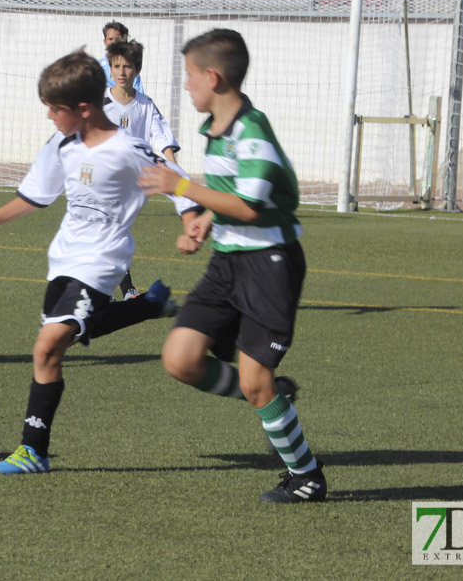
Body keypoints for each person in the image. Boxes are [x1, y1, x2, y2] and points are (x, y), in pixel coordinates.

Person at [0, 49, 200, 475]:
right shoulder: (62, 143)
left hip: (103, 260)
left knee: (48, 344)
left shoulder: (128, 148)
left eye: (56, 109)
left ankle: (33, 449)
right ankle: (148, 305)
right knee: (64, 340)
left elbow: (176, 180)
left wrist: (189, 220)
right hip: (64, 259)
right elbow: (37, 193)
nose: (50, 116)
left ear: (84, 109)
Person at [138, 28, 325, 503]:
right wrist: (203, 218)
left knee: (253, 379)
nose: (185, 85)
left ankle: (306, 476)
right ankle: (269, 396)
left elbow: (251, 207)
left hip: (270, 266)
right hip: (229, 262)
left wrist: (180, 188)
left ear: (213, 77)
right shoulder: (215, 131)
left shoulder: (251, 130)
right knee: (181, 359)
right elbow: (231, 201)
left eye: (189, 75)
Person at [102, 39, 185, 299]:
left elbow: (161, 137)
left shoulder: (145, 105)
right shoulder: (99, 102)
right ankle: (122, 290)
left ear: (137, 70)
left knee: (114, 233)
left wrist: (174, 170)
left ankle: (109, 289)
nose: (122, 72)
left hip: (133, 182)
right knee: (111, 231)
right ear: (110, 68)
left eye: (127, 66)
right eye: (117, 66)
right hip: (103, 179)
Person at [99, 21, 144, 93]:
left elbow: (138, 93)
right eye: (110, 39)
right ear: (105, 41)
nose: (114, 42)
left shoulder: (131, 68)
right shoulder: (98, 67)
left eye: (117, 39)